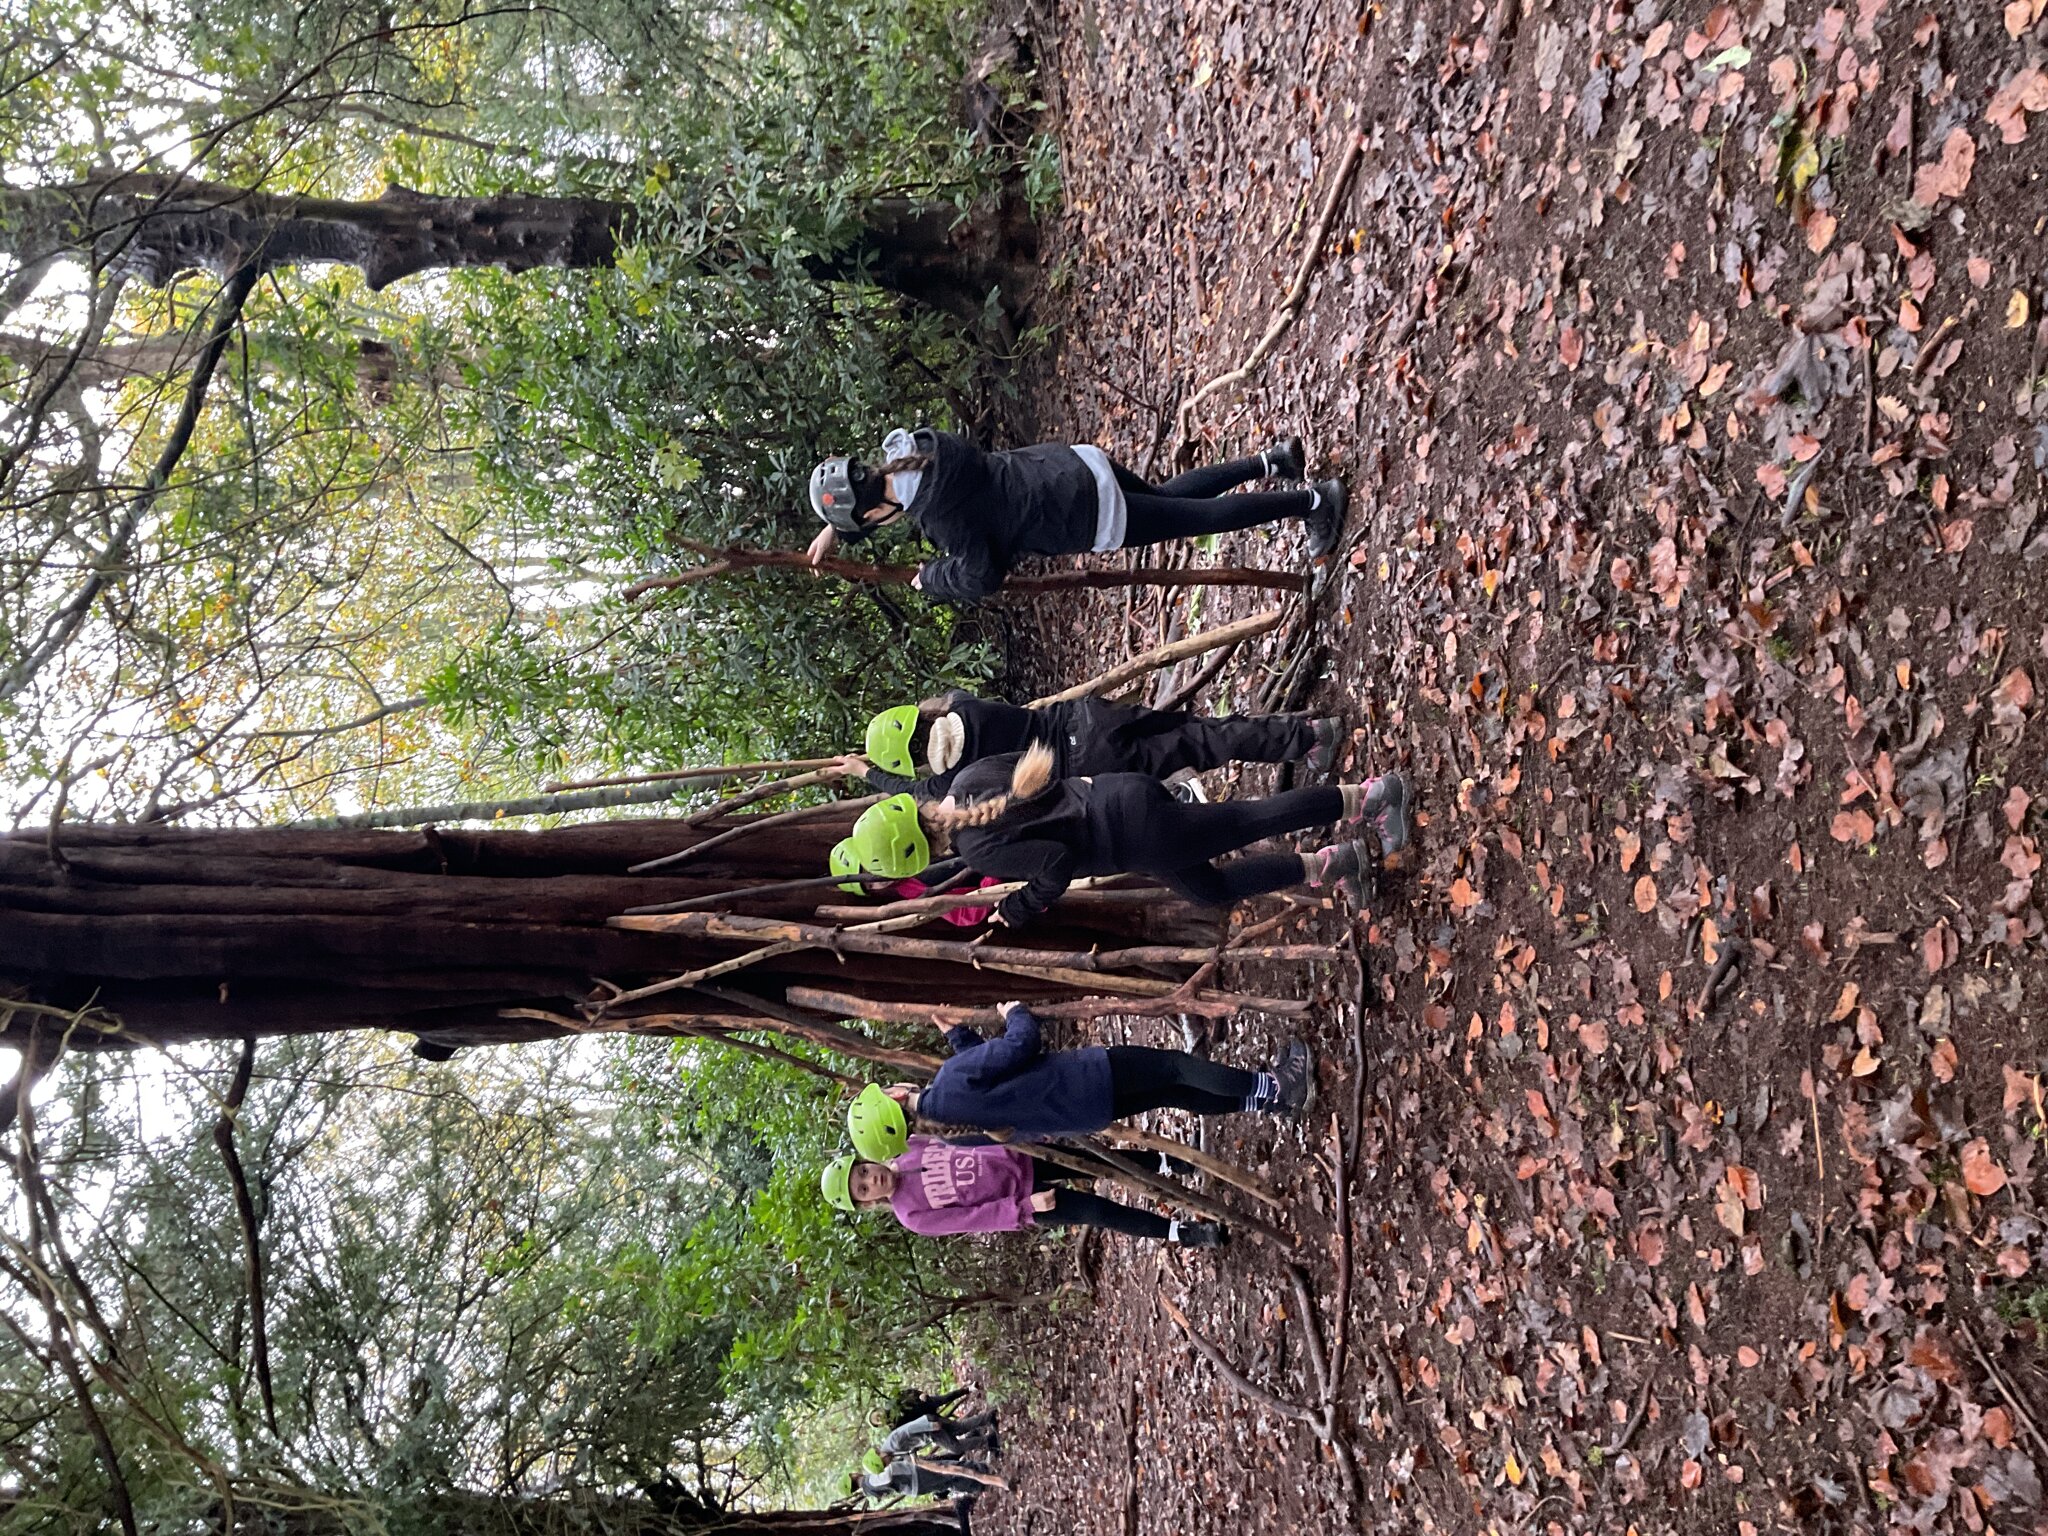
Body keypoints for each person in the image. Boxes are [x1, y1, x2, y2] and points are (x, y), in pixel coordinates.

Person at [807, 427, 1347, 604]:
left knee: (1197, 519)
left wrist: (934, 579)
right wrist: (837, 525)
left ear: (876, 513)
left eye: (869, 523)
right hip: (1073, 466)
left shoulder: (942, 520)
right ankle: (1272, 461)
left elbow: (982, 574)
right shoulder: (919, 449)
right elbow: (873, 489)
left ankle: (1315, 500)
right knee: (1167, 498)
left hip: (1081, 511)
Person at [919, 741, 1410, 929]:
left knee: (1247, 820)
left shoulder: (977, 849)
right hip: (1122, 796)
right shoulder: (965, 782)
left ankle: (1371, 797)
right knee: (1207, 889)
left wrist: (1019, 908)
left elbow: (1055, 865)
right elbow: (1043, 770)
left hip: (1135, 835)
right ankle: (1333, 863)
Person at [839, 691, 1347, 803]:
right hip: (1089, 715)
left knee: (1200, 748)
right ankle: (1305, 734)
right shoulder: (964, 710)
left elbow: (911, 792)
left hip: (1088, 761)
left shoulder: (952, 780)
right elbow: (940, 699)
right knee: (1201, 730)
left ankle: (1305, 740)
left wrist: (865, 772)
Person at [822, 1134, 1228, 1248]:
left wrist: (1012, 1136)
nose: (871, 1180)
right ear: (868, 1201)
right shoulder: (911, 1215)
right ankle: (1183, 1233)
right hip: (1026, 1200)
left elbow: (960, 1138)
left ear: (868, 1161)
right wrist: (1022, 1208)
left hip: (1020, 1155)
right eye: (863, 1189)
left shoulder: (908, 1146)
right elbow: (973, 1218)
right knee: (1099, 1212)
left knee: (1102, 1162)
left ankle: (1172, 1165)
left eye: (865, 1172)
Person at [852, 1449, 1007, 1501]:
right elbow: (887, 1477)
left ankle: (977, 1485)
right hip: (915, 1477)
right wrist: (890, 1465)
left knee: (948, 1481)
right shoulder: (869, 1481)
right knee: (948, 1469)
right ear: (852, 1477)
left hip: (913, 1486)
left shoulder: (869, 1491)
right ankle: (982, 1470)